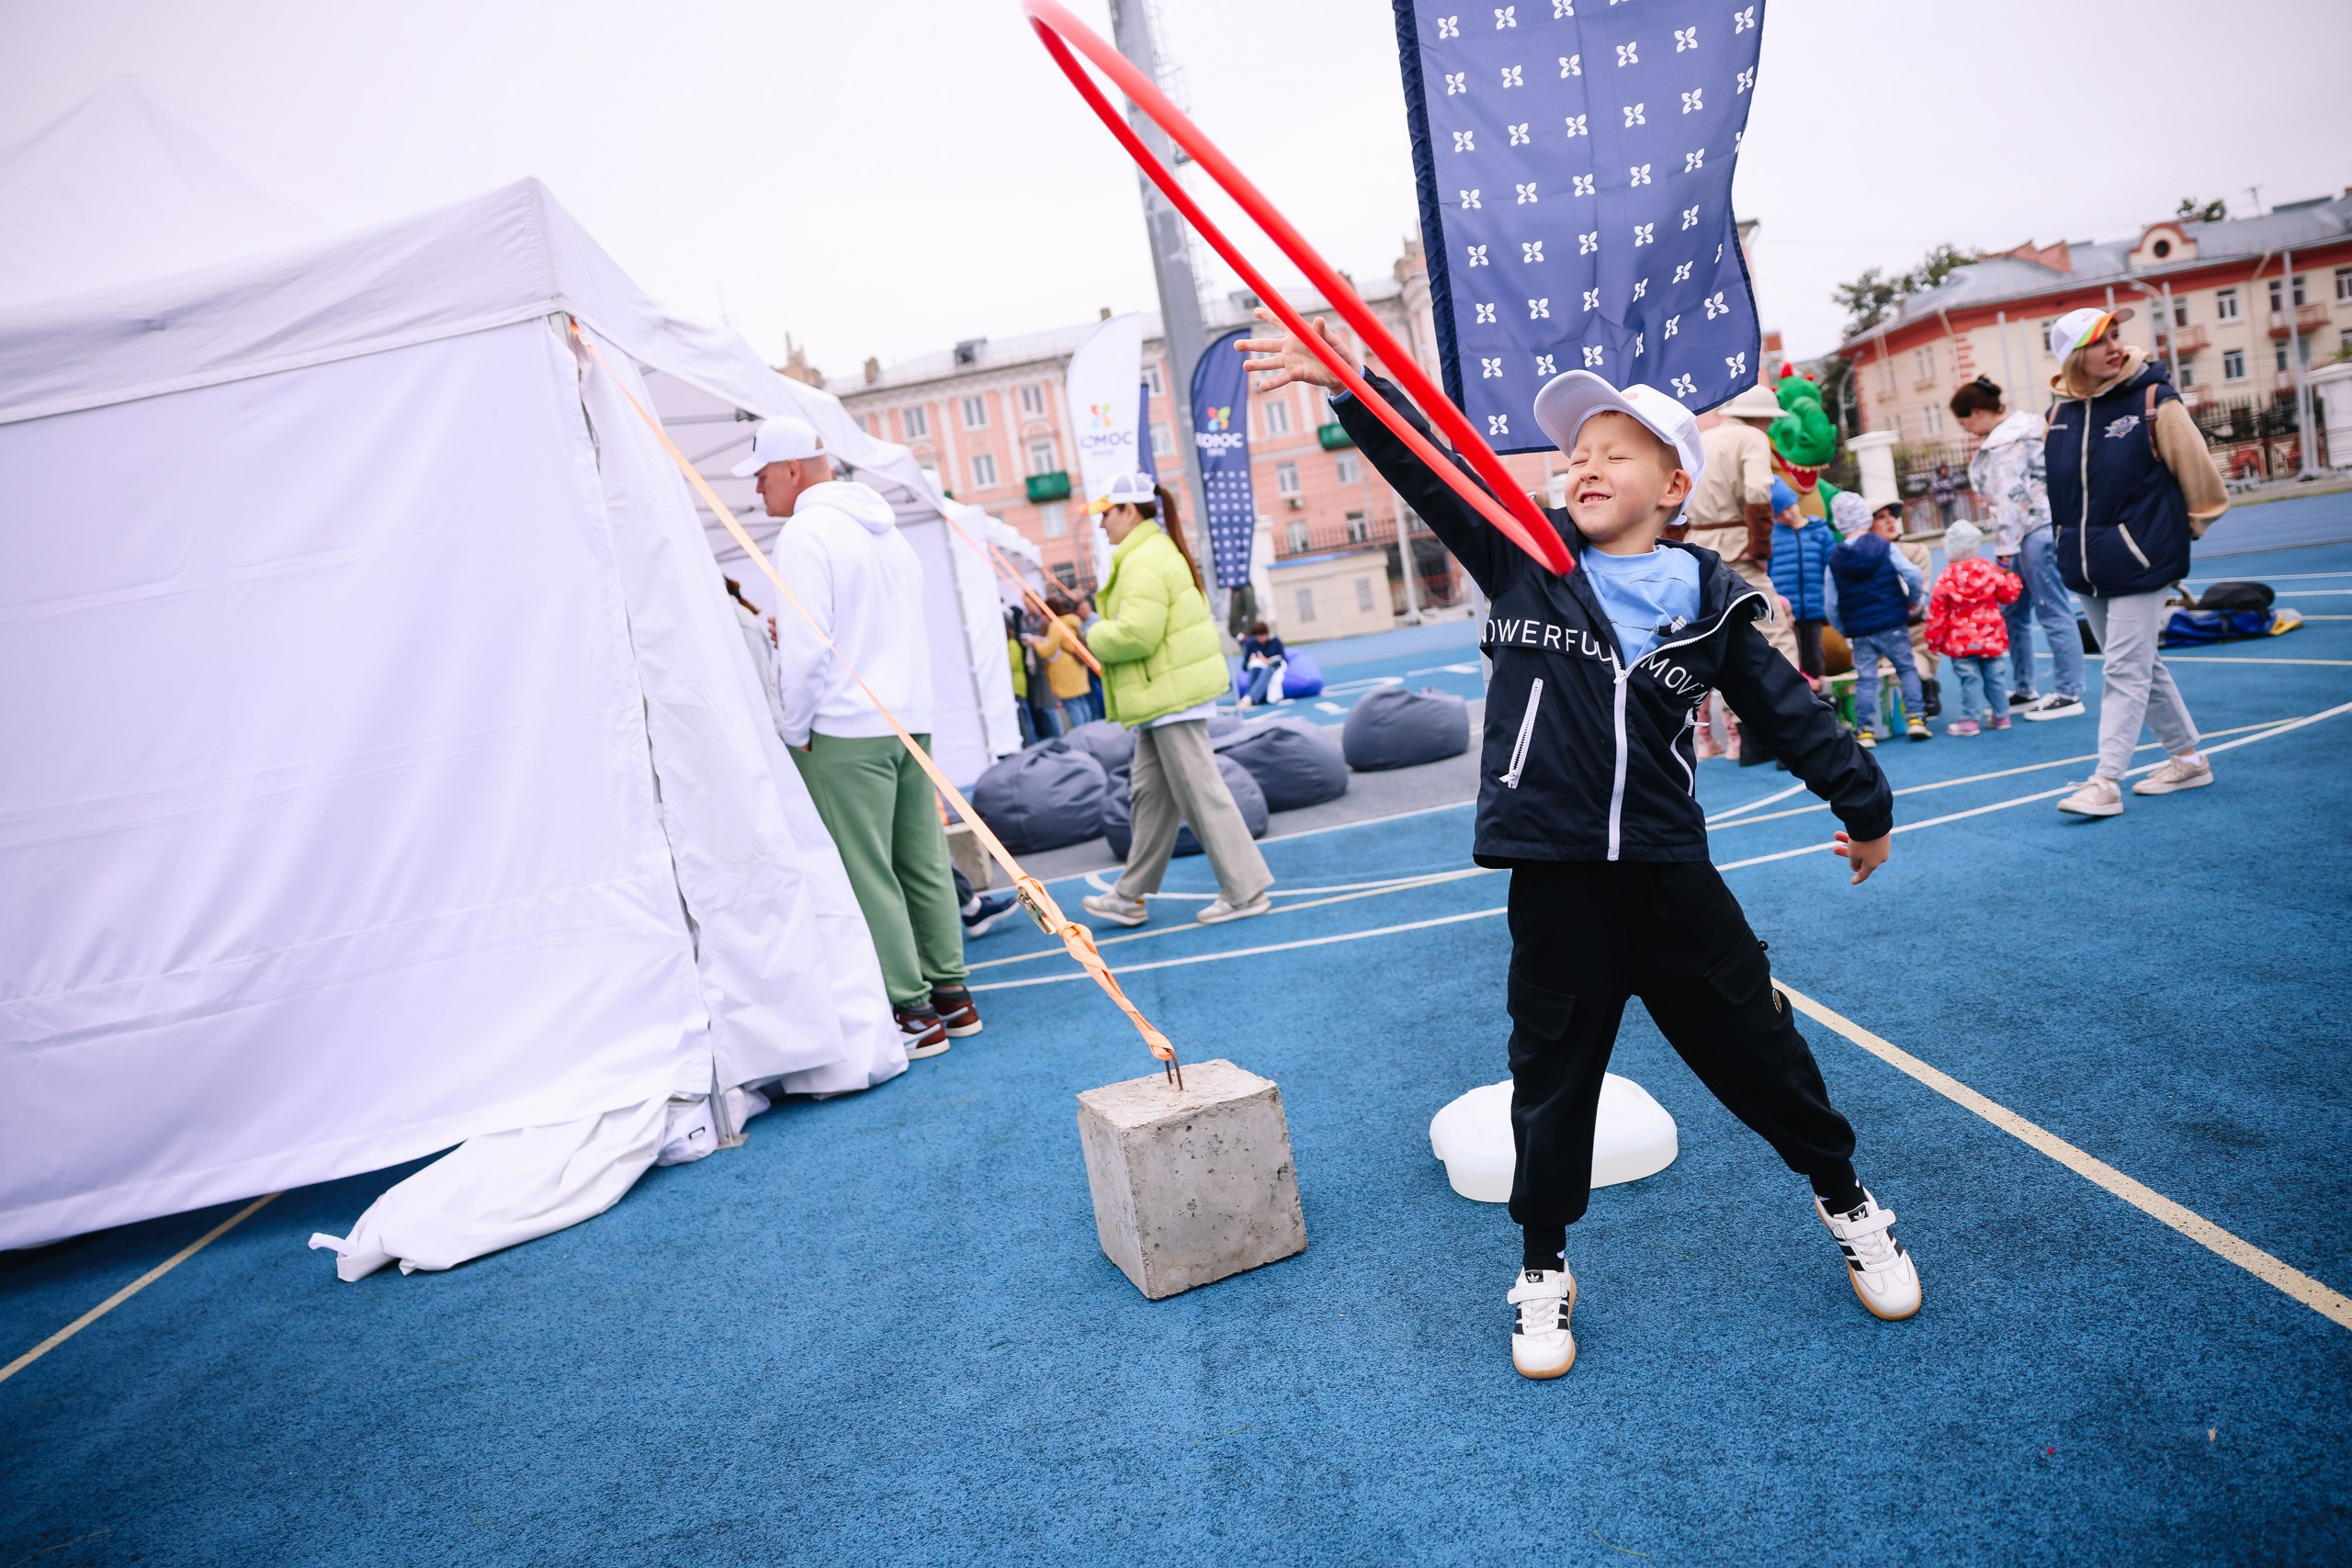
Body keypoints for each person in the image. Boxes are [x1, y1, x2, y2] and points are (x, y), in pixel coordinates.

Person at [1238, 310, 1918, 1382]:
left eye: (1614, 453)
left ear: (1673, 486)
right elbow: (1427, 465)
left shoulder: (1708, 601)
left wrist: (1864, 808)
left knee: (1766, 1060)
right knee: (1549, 1084)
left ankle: (1847, 1202)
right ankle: (1542, 1267)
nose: (1583, 465)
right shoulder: (1526, 564)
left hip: (1669, 875)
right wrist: (1344, 380)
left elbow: (1789, 712)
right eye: (1574, 455)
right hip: (1558, 883)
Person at [741, 414, 978, 1058]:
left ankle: (912, 1011)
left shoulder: (804, 535)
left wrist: (796, 729)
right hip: (908, 717)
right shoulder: (885, 530)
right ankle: (952, 996)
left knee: (867, 870)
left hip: (846, 724)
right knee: (923, 860)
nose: (756, 492)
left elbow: (809, 647)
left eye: (761, 475)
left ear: (792, 469)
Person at [2041, 309, 2229, 818]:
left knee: (2124, 669)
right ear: (2075, 356)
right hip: (2085, 565)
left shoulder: (2152, 401)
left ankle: (2105, 782)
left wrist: (2165, 540)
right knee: (2142, 665)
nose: (2115, 347)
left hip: (2141, 561)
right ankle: (2188, 759)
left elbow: (2203, 483)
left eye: (2117, 336)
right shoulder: (2058, 415)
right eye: (2101, 341)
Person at [1077, 474, 1275, 929]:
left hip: (1169, 695)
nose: (1102, 524)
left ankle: (1245, 890)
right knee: (1150, 795)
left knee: (1201, 794)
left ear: (1130, 510)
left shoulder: (1144, 558)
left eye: (1106, 513)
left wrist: (1093, 632)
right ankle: (1129, 895)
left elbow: (1137, 633)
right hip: (1162, 696)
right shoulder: (1148, 552)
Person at [1951, 378, 2085, 721]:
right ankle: (2026, 689)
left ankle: (2069, 692)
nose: (1967, 431)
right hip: (2034, 529)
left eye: (1965, 422)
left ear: (1978, 412)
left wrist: (2005, 548)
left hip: (2032, 532)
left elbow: (2014, 500)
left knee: (2050, 609)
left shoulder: (2006, 442)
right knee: (2016, 612)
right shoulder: (2022, 431)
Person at [1827, 496, 1930, 747]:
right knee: (1906, 668)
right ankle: (1916, 718)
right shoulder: (1885, 547)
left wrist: (1843, 627)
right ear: (1866, 516)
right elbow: (1912, 574)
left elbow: (1830, 602)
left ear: (1839, 524)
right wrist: (1914, 600)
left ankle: (1865, 730)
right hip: (1892, 622)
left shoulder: (1836, 558)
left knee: (1866, 678)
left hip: (1860, 630)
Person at [1923, 520, 2021, 736]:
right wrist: (2010, 575)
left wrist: (1933, 640)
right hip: (1991, 636)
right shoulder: (1987, 569)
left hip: (1962, 641)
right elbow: (2008, 594)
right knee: (1995, 675)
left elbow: (1937, 612)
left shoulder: (1947, 576)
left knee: (1970, 678)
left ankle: (1970, 719)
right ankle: (2001, 714)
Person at [1766, 478, 1834, 682]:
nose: (1787, 515)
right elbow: (1766, 572)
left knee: (1814, 657)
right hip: (1786, 611)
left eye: (1788, 508)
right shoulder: (1771, 536)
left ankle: (1818, 700)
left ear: (1795, 501)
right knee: (1788, 656)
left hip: (1814, 608)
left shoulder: (1819, 530)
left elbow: (1830, 568)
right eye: (1779, 514)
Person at [1023, 593, 1097, 730]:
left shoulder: (1057, 626)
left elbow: (1047, 651)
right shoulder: (1072, 620)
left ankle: (1081, 734)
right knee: (1081, 702)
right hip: (1077, 666)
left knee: (1072, 705)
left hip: (1065, 671)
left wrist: (1036, 643)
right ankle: (1090, 730)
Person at [1237, 620, 1288, 706]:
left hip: (1272, 667)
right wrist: (1251, 661)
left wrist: (1269, 661)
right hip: (1257, 668)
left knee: (1267, 670)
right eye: (1257, 636)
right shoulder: (1252, 643)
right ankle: (1249, 697)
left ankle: (1250, 698)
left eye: (1262, 635)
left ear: (1267, 634)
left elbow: (1283, 659)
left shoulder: (1275, 641)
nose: (1260, 638)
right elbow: (1244, 666)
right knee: (1256, 668)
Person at [1929, 463, 1960, 527]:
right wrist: (1945, 485)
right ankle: (1947, 530)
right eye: (1942, 470)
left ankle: (1957, 529)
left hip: (1951, 499)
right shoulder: (1936, 477)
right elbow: (1935, 487)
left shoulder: (1950, 476)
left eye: (1945, 469)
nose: (1944, 471)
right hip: (1942, 501)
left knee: (1953, 515)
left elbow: (1952, 485)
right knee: (1945, 517)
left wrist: (1942, 486)